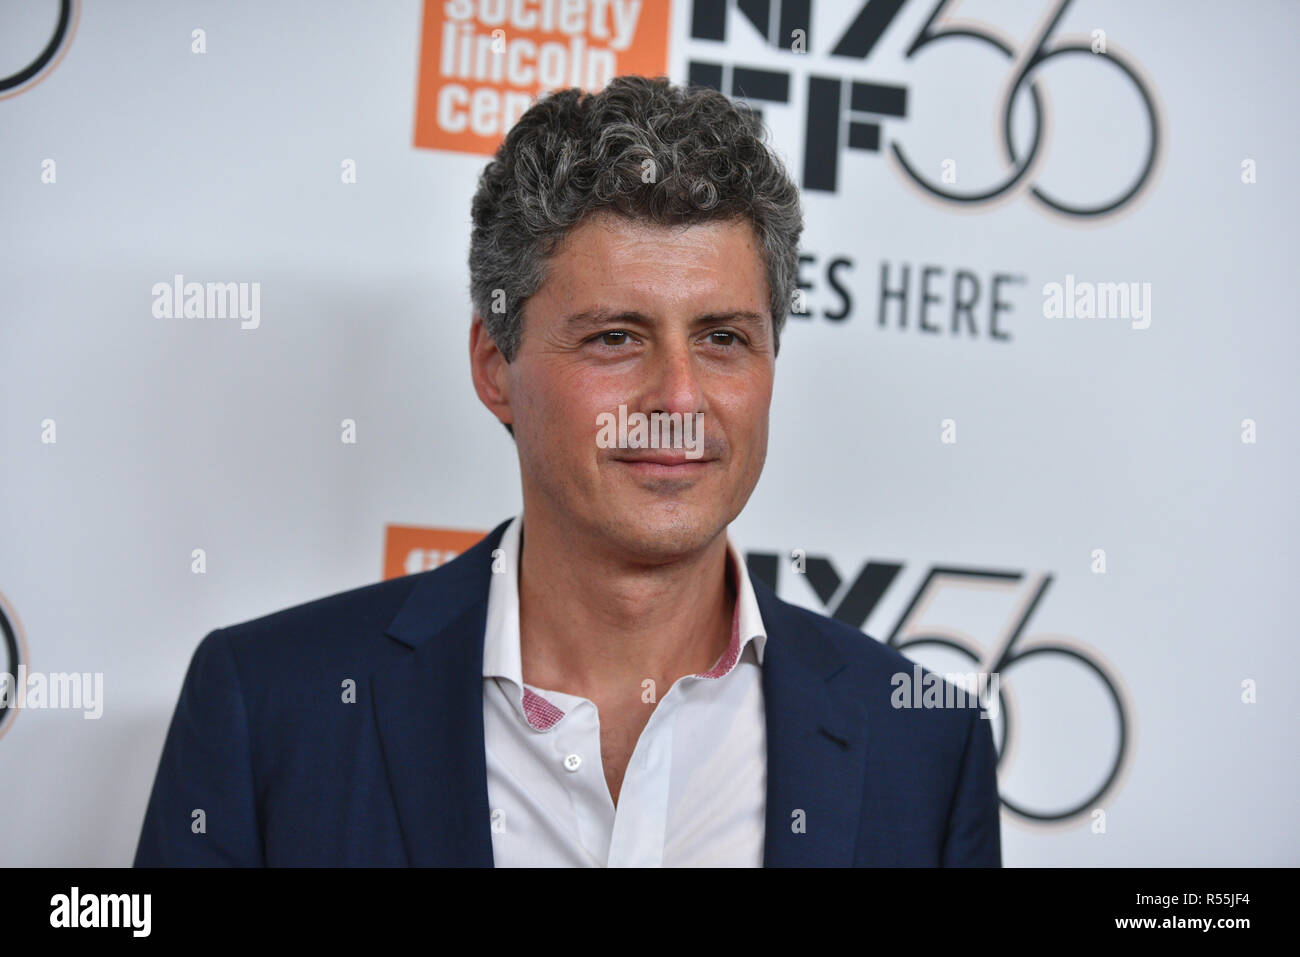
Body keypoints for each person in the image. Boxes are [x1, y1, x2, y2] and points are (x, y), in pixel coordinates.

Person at [134, 75, 1001, 867]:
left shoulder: (922, 745)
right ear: (494, 364)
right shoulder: (271, 706)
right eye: (615, 336)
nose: (679, 396)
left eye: (723, 337)